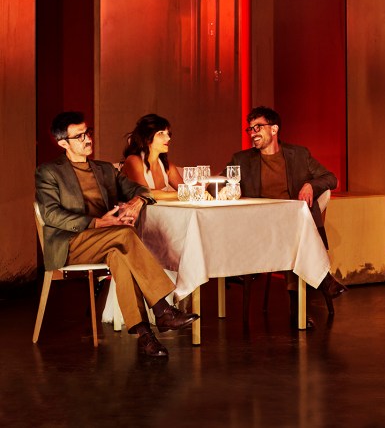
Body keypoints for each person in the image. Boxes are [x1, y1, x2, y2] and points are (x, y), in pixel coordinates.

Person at [35, 111, 199, 357]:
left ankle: (145, 336)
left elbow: (141, 189)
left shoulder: (104, 169)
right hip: (70, 243)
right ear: (63, 143)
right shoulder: (48, 172)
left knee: (120, 256)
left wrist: (138, 201)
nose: (87, 139)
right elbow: (51, 215)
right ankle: (162, 308)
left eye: (88, 132)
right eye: (79, 136)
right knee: (124, 234)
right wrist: (97, 222)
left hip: (106, 241)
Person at [226, 106, 346, 328]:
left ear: (274, 129)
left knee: (294, 235)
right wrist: (227, 190)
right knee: (296, 236)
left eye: (258, 127)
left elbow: (331, 178)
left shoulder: (298, 155)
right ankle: (322, 282)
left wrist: (311, 185)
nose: (253, 133)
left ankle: (300, 306)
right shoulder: (241, 160)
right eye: (250, 129)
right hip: (259, 228)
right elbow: (222, 184)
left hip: (292, 227)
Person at [121, 113, 184, 200]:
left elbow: (188, 191)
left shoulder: (167, 166)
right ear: (147, 138)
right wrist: (181, 194)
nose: (168, 138)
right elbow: (143, 193)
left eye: (168, 133)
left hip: (158, 209)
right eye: (161, 133)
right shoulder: (133, 160)